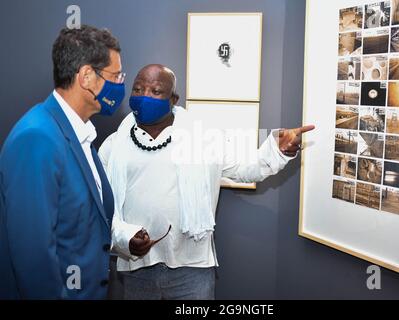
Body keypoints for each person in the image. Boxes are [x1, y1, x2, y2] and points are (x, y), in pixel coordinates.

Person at [99, 64, 314, 300]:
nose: (144, 96)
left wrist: (277, 150)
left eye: (155, 91)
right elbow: (101, 207)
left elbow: (246, 168)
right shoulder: (114, 145)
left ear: (173, 99)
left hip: (192, 268)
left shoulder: (204, 138)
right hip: (137, 266)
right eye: (138, 89)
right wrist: (125, 238)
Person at [0, 25, 126, 299]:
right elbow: (33, 256)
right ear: (87, 77)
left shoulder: (79, 133)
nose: (120, 85)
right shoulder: (37, 138)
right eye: (115, 76)